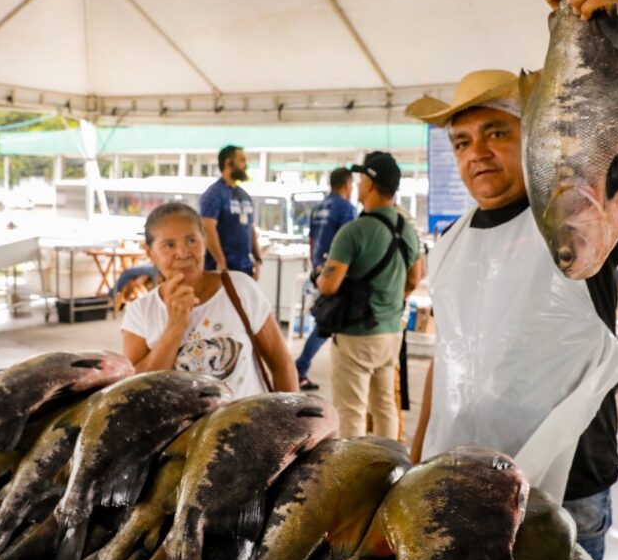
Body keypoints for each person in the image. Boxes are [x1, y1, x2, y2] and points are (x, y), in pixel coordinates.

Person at [405, 0, 618, 560]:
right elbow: (447, 359)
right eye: (462, 142)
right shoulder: (449, 243)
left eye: (496, 133)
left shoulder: (571, 215)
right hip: (459, 485)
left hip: (563, 492)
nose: (475, 153)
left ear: (532, 131)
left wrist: (609, 48)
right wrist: (416, 456)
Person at [122, 203, 297, 398]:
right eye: (169, 245)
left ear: (204, 241)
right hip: (185, 429)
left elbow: (282, 365)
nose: (183, 253)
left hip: (249, 425)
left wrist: (292, 424)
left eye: (191, 240)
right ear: (150, 252)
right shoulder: (140, 312)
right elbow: (136, 393)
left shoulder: (240, 288)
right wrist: (175, 326)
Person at [317, 152, 422, 439]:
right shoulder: (408, 230)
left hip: (356, 334)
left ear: (371, 185)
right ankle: (390, 466)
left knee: (351, 410)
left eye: (362, 178)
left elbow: (330, 285)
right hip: (391, 333)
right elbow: (415, 277)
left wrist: (319, 275)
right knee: (385, 404)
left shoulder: (354, 232)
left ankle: (352, 476)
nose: (358, 184)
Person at [295, 166, 356, 390]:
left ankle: (300, 368)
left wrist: (316, 267)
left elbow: (312, 240)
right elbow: (349, 243)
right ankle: (299, 368)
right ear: (347, 184)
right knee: (327, 324)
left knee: (326, 322)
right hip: (337, 273)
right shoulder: (346, 209)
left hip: (320, 270)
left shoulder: (319, 207)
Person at [200, 145, 262, 278]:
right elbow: (208, 228)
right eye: (242, 160)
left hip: (244, 268)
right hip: (221, 269)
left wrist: (258, 259)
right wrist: (221, 262)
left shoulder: (244, 195)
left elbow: (250, 228)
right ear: (229, 162)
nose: (245, 165)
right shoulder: (214, 194)